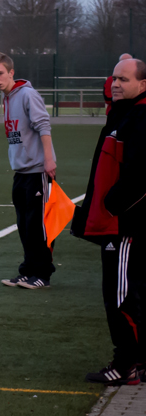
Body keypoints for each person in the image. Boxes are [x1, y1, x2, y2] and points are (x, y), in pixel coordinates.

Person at [72, 58, 146, 385]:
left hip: (125, 225)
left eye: (124, 80)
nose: (115, 84)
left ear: (142, 85)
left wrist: (113, 204)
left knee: (119, 296)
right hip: (117, 223)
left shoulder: (140, 117)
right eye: (113, 79)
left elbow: (141, 175)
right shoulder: (124, 112)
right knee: (132, 292)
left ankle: (126, 364)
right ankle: (139, 362)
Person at [0, 52, 58, 289]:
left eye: (0, 73)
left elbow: (43, 126)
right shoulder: (7, 98)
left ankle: (43, 275)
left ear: (11, 73)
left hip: (38, 171)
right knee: (24, 225)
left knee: (39, 226)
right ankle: (28, 271)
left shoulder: (27, 94)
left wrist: (49, 161)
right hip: (21, 172)